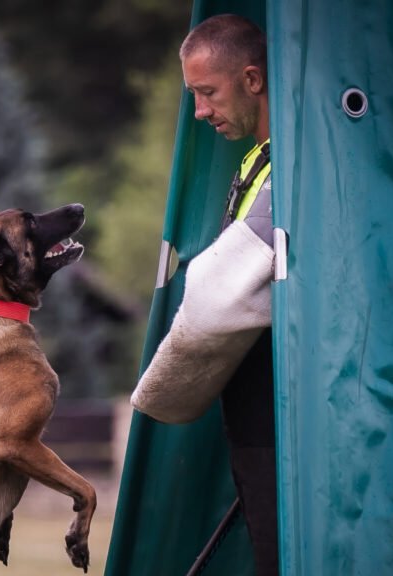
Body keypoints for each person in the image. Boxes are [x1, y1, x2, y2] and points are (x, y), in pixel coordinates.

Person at [131, 13, 278, 575]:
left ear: (252, 79)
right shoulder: (255, 161)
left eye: (207, 93)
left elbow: (223, 297)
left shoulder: (290, 167)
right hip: (248, 416)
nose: (199, 112)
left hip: (275, 414)